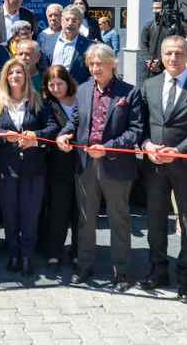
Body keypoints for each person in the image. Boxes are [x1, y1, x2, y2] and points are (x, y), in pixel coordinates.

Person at [56, 43, 143, 292]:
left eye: (100, 64)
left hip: (116, 164)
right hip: (85, 164)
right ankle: (85, 266)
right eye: (91, 64)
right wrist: (64, 134)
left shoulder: (130, 92)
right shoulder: (83, 90)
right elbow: (75, 120)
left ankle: (121, 271)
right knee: (85, 218)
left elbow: (135, 131)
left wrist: (108, 147)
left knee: (119, 219)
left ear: (112, 64)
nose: (95, 68)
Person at [137, 36, 187, 304]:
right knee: (155, 220)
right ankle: (158, 271)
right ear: (161, 56)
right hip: (154, 166)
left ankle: (186, 278)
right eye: (168, 53)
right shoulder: (149, 85)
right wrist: (147, 145)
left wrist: (179, 150)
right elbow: (141, 124)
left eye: (179, 53)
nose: (173, 58)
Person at [0, 58, 59, 277]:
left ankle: (27, 254)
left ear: (26, 76)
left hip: (33, 167)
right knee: (10, 213)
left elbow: (52, 127)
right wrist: (4, 135)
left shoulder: (38, 100)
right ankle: (14, 252)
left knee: (30, 213)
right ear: (5, 77)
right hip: (7, 167)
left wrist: (35, 136)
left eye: (19, 72)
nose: (15, 76)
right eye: (11, 73)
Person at [40, 65, 79, 268]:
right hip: (58, 164)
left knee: (80, 211)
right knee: (58, 210)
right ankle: (54, 251)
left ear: (68, 82)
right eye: (51, 85)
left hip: (82, 164)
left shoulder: (81, 98)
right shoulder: (47, 104)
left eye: (60, 84)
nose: (56, 89)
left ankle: (78, 252)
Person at [39, 5, 93, 85]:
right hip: (50, 89)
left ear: (81, 22)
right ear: (61, 20)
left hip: (76, 90)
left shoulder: (89, 46)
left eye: (74, 20)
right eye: (67, 20)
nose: (70, 23)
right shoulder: (47, 40)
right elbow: (41, 66)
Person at [139, 0, 166, 78]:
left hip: (166, 65)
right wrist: (150, 60)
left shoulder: (171, 26)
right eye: (153, 8)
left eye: (158, 8)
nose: (155, 11)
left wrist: (159, 62)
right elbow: (143, 45)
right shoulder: (148, 25)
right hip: (151, 67)